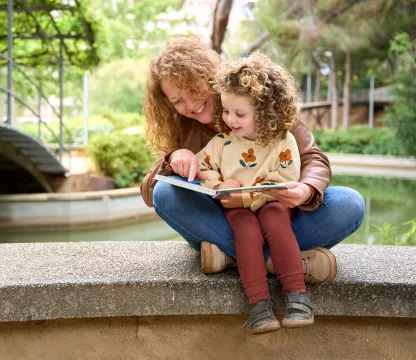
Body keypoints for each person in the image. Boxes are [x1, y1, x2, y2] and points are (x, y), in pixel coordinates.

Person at [141, 36, 365, 284]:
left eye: (194, 89)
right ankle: (278, 262)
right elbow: (150, 193)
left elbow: (313, 158)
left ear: (212, 78)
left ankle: (231, 257)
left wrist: (306, 189)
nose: (190, 104)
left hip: (279, 214)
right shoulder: (181, 125)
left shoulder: (264, 102)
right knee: (165, 193)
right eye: (177, 101)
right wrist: (173, 158)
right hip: (226, 220)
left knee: (350, 203)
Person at [195, 52, 312, 334]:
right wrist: (219, 185)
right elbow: (202, 168)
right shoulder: (222, 141)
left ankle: (297, 297)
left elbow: (286, 177)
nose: (229, 119)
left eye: (240, 113)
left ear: (266, 111)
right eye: (225, 110)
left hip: (272, 203)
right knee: (247, 232)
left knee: (274, 221)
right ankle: (260, 306)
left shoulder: (283, 141)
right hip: (236, 207)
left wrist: (256, 193)